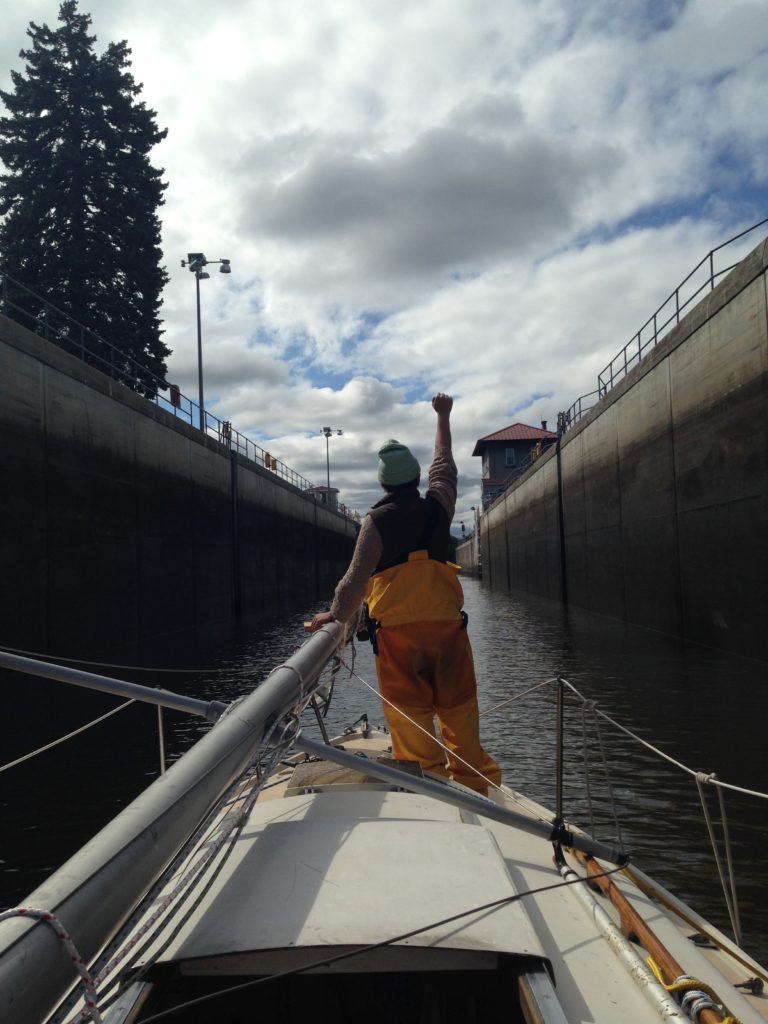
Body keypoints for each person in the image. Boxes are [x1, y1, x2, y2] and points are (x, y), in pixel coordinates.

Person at [310, 394, 501, 794]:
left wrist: (336, 617)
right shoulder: (439, 507)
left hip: (398, 640)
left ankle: (427, 789)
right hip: (447, 633)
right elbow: (444, 462)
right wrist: (443, 416)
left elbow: (355, 581)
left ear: (382, 483)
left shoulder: (375, 522)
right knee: (459, 713)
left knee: (411, 722)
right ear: (416, 480)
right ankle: (476, 790)